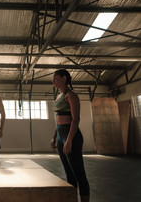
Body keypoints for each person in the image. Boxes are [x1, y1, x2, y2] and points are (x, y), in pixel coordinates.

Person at [50, 69, 90, 202]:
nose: (53, 81)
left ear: (64, 78)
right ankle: (73, 199)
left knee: (79, 173)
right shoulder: (58, 96)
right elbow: (58, 120)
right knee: (69, 173)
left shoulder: (71, 95)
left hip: (71, 136)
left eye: (56, 78)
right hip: (61, 135)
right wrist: (55, 137)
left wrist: (69, 141)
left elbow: (76, 119)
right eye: (53, 79)